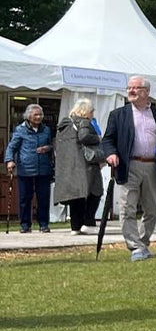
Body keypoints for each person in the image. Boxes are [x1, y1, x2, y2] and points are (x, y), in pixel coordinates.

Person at [103, 76, 156, 261]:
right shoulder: (118, 114)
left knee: (153, 210)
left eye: (136, 88)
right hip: (128, 165)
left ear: (146, 92)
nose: (131, 91)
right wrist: (111, 153)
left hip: (153, 166)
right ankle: (135, 246)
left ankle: (143, 242)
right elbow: (107, 139)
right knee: (127, 208)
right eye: (129, 88)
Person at [4, 102, 54, 233]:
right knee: (25, 198)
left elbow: (52, 146)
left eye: (40, 114)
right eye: (36, 115)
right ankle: (25, 224)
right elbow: (12, 147)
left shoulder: (46, 130)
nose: (39, 117)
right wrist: (9, 160)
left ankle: (43, 224)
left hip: (43, 169)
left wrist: (47, 148)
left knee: (43, 198)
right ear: (28, 116)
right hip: (26, 169)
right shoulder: (20, 130)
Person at [55, 98, 103, 232]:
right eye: (91, 111)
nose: (92, 113)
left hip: (69, 165)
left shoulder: (64, 125)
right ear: (85, 111)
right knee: (95, 192)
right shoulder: (85, 122)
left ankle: (75, 227)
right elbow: (84, 137)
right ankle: (88, 223)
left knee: (75, 196)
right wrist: (98, 139)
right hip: (86, 164)